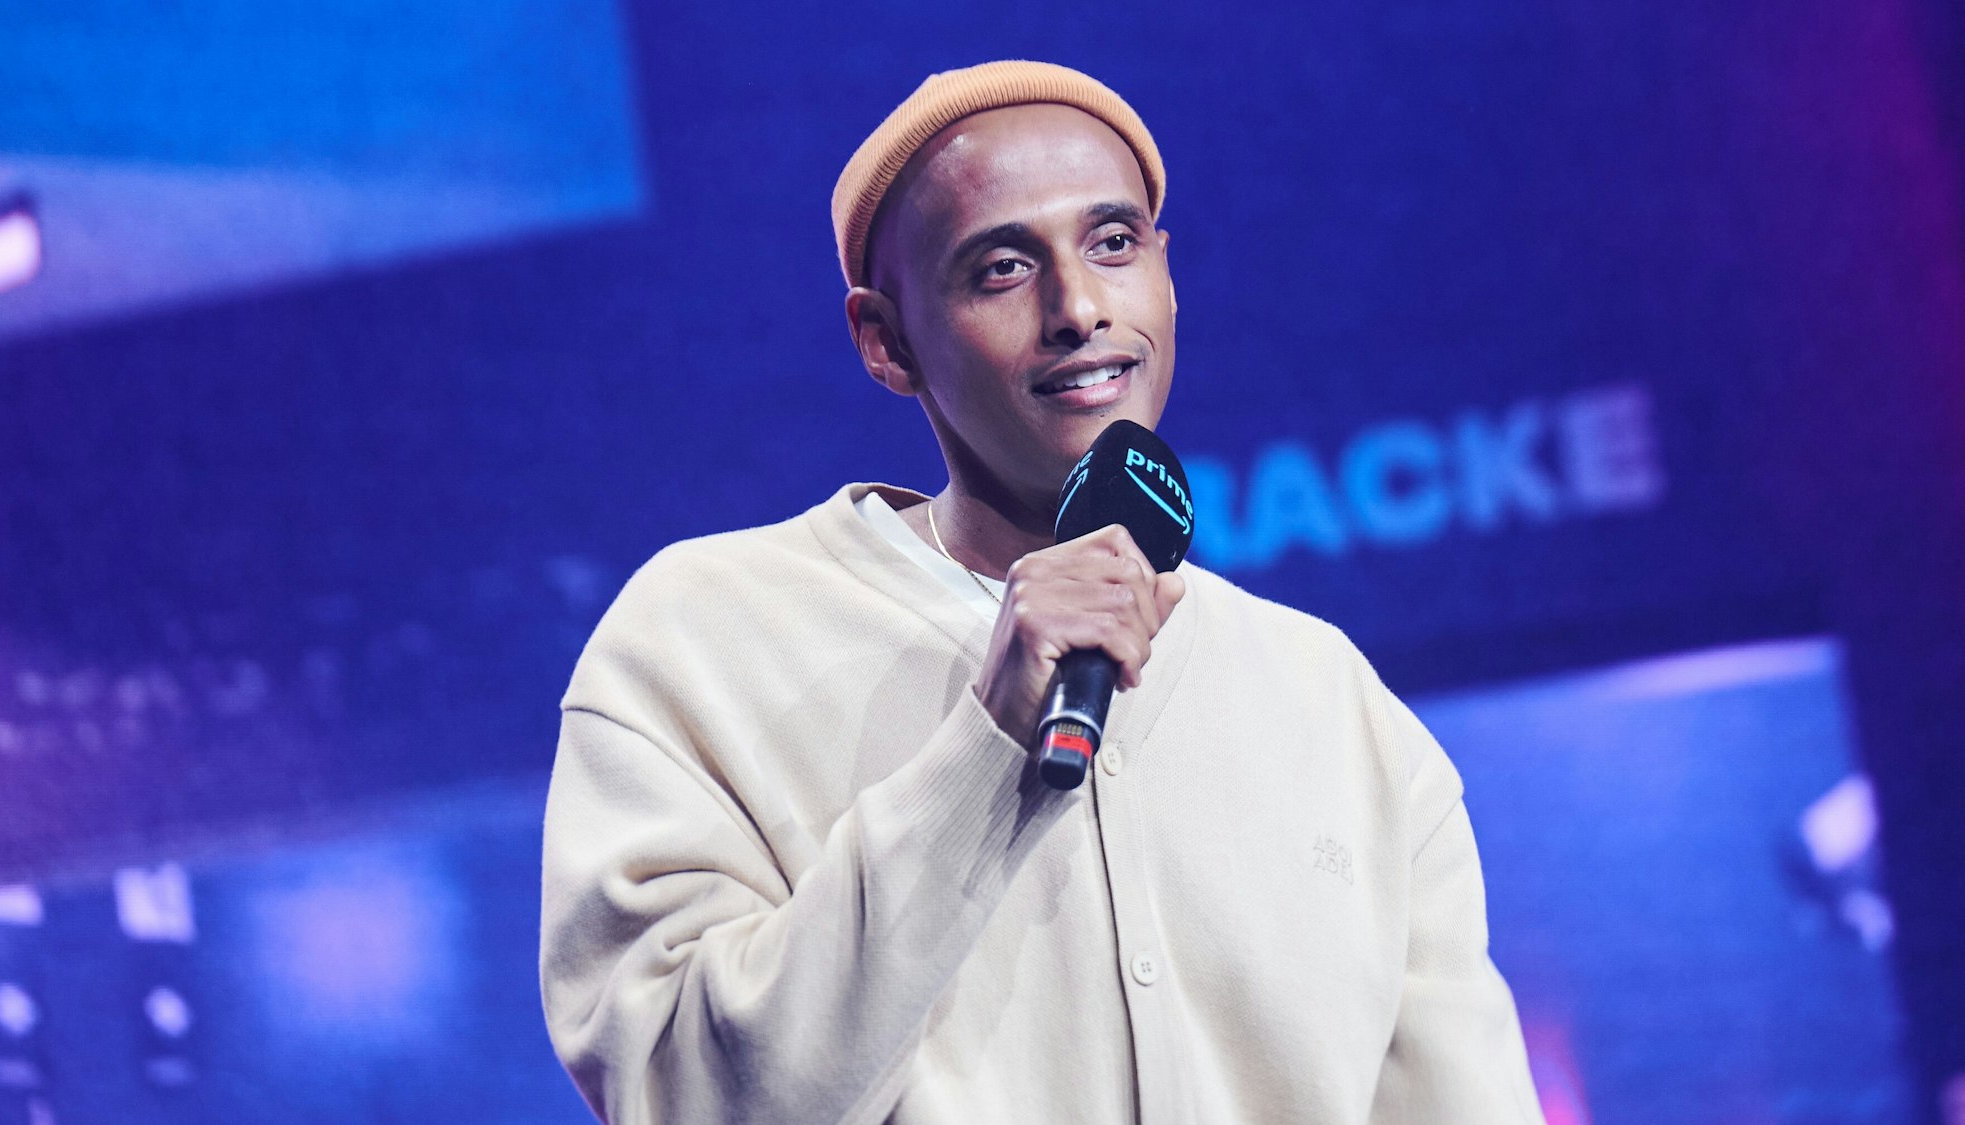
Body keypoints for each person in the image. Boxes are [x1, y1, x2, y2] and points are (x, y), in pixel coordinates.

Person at [540, 60, 1546, 1124]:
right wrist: (987, 748)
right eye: (1003, 268)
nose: (1078, 308)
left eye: (1112, 244)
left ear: (1166, 275)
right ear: (886, 341)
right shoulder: (704, 638)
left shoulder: (1330, 700)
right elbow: (681, 1092)